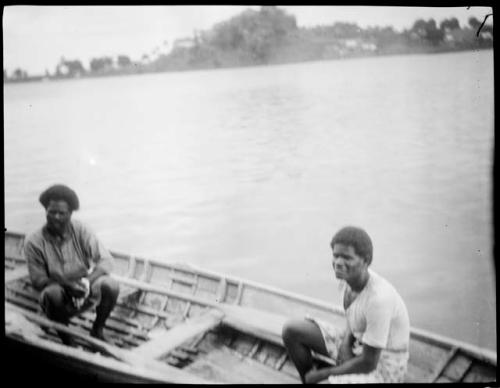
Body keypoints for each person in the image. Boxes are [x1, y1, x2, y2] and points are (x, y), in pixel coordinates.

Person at [281, 226, 410, 384]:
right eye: (336, 256)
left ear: (366, 260)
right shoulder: (348, 280)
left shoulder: (378, 299)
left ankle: (318, 380)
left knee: (322, 380)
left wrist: (323, 374)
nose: (338, 263)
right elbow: (353, 315)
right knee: (292, 330)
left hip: (384, 366)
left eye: (347, 258)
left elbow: (369, 363)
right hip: (359, 343)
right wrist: (346, 343)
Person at [24, 184, 120, 345]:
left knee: (111, 285)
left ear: (70, 213)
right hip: (56, 297)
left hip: (83, 290)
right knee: (52, 294)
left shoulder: (81, 230)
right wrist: (67, 285)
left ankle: (97, 330)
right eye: (51, 212)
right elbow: (38, 280)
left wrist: (87, 281)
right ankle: (68, 340)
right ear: (45, 211)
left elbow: (107, 261)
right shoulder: (33, 241)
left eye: (62, 213)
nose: (56, 217)